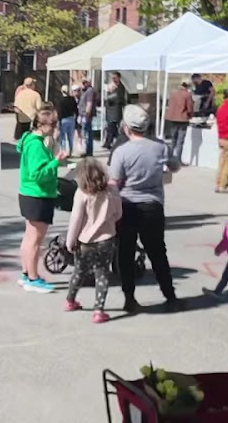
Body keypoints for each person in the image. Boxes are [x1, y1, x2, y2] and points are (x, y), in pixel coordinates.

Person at [110, 104, 178, 312]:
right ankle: (170, 296)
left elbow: (114, 182)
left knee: (126, 253)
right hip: (153, 204)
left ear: (126, 127)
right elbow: (175, 166)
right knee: (158, 252)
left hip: (127, 205)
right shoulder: (160, 147)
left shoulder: (121, 151)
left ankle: (129, 297)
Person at [63, 157, 121, 323]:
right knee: (102, 273)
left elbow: (76, 219)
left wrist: (70, 241)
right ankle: (98, 310)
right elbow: (118, 214)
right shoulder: (112, 190)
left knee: (79, 271)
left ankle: (70, 300)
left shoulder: (82, 193)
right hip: (106, 238)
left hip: (84, 240)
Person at [16, 107, 64, 294]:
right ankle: (33, 278)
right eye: (53, 125)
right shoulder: (36, 145)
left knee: (29, 237)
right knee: (35, 240)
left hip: (30, 193)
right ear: (42, 125)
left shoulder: (29, 139)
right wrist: (55, 162)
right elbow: (38, 174)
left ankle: (27, 273)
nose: (54, 129)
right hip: (38, 194)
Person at [164, 79, 193, 164]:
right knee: (180, 141)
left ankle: (170, 158)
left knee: (173, 140)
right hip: (182, 119)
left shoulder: (173, 93)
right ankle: (178, 160)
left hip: (172, 118)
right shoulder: (187, 95)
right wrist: (191, 116)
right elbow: (190, 108)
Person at [103, 72, 128, 150]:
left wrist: (111, 95)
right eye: (112, 78)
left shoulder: (120, 87)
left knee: (112, 128)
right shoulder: (111, 86)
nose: (113, 79)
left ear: (119, 78)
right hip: (110, 110)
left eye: (115, 78)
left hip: (116, 111)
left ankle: (112, 142)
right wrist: (108, 92)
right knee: (111, 128)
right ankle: (109, 142)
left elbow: (119, 98)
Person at [76, 76, 98, 156]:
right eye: (83, 82)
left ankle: (89, 151)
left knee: (87, 134)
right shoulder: (85, 91)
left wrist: (87, 115)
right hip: (83, 115)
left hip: (86, 115)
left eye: (85, 82)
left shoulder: (90, 91)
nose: (83, 83)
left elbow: (89, 103)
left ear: (89, 82)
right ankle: (87, 151)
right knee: (85, 134)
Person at [56, 85, 79, 157]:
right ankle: (71, 151)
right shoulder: (72, 99)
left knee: (63, 137)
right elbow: (76, 110)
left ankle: (63, 151)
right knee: (70, 136)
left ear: (62, 91)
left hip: (63, 120)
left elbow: (59, 112)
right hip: (71, 119)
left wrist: (58, 121)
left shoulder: (60, 100)